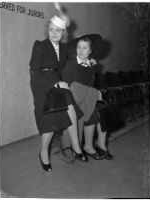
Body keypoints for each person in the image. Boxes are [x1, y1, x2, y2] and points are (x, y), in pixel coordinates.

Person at [29, 15, 88, 173]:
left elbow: (72, 63)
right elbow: (34, 71)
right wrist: (53, 84)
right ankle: (43, 152)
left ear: (63, 33)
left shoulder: (64, 49)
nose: (54, 33)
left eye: (58, 31)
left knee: (70, 107)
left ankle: (76, 146)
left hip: (57, 82)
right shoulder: (40, 45)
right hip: (41, 83)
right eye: (51, 30)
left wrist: (89, 60)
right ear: (47, 30)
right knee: (50, 117)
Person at [62, 37, 113, 160]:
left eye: (85, 48)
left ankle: (100, 146)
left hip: (85, 99)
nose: (81, 50)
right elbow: (67, 86)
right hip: (72, 100)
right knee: (93, 112)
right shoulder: (71, 63)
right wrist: (93, 92)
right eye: (79, 47)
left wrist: (96, 92)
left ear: (90, 51)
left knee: (102, 110)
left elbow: (90, 85)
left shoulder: (91, 65)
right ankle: (86, 146)